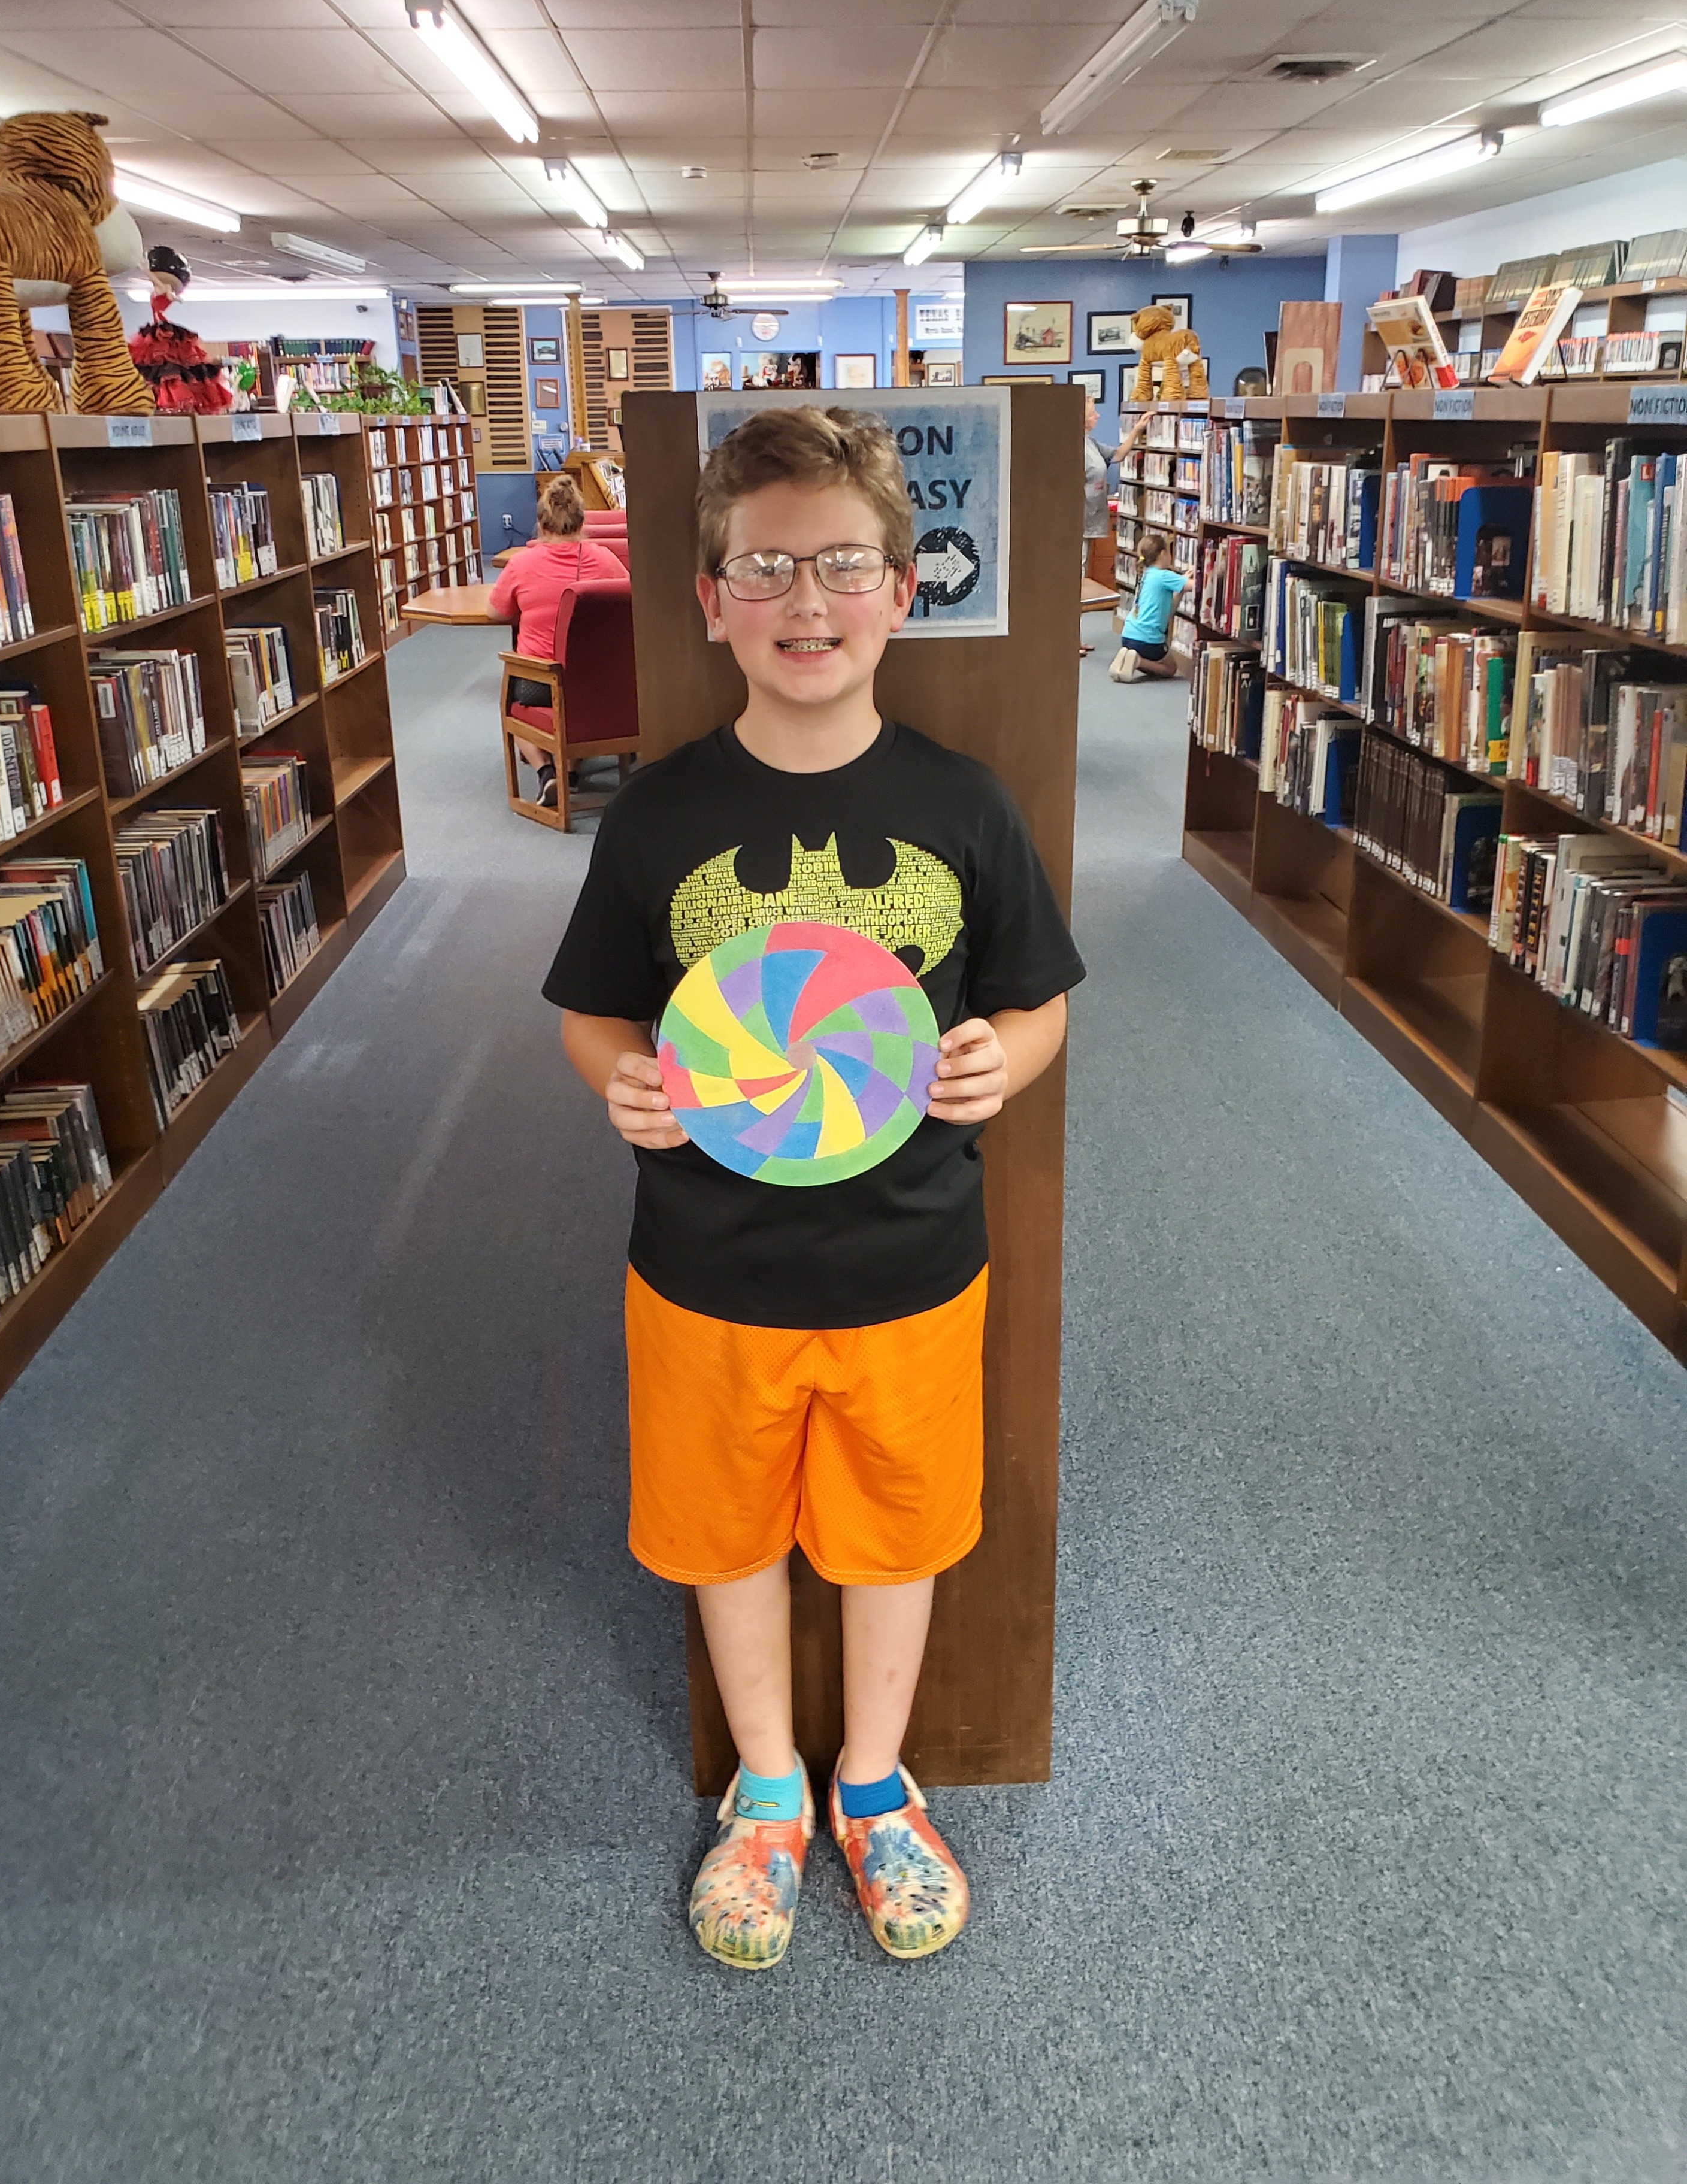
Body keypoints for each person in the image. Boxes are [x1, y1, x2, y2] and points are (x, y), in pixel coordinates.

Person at [543, 406, 1085, 1971]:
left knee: (895, 1529)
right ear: (709, 600)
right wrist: (621, 1079)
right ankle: (767, 1785)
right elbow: (593, 1014)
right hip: (706, 1260)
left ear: (902, 591)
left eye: (843, 564)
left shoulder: (965, 808)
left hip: (911, 1256)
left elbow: (1037, 999)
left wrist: (1001, 1060)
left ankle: (874, 1781)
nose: (805, 601)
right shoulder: (662, 816)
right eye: (765, 568)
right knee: (725, 1528)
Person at [489, 475, 626, 808]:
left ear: (540, 524)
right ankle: (570, 771)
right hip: (598, 682)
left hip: (540, 683)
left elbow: (495, 612)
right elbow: (628, 601)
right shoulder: (606, 560)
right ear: (582, 522)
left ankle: (546, 771)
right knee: (577, 704)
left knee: (513, 701)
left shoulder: (521, 564)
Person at [1080, 401, 1150, 656]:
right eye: (1093, 413)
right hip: (1078, 521)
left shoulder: (1090, 442)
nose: (1098, 416)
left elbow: (1118, 455)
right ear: (1081, 418)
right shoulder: (1071, 446)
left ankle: (1074, 638)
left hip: (1090, 520)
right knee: (1075, 581)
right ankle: (1068, 639)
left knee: (1079, 580)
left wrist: (1137, 430)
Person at [1110, 531, 1187, 683]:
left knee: (1150, 659)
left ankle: (1128, 658)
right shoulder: (1164, 575)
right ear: (1164, 554)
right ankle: (1138, 661)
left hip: (1128, 636)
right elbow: (1196, 585)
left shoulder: (1146, 575)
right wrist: (1187, 579)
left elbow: (1168, 612)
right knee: (1170, 668)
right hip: (1148, 641)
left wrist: (1181, 589)